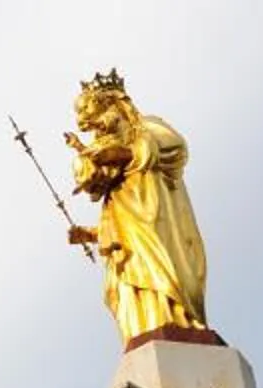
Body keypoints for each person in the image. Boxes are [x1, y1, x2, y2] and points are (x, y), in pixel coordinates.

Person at [66, 68, 210, 344]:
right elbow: (121, 224)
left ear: (110, 102)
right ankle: (145, 330)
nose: (85, 120)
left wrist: (127, 152)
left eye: (88, 110)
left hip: (158, 221)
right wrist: (91, 233)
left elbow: (175, 148)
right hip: (133, 235)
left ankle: (178, 321)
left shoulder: (148, 129)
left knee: (165, 268)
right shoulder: (117, 187)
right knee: (125, 284)